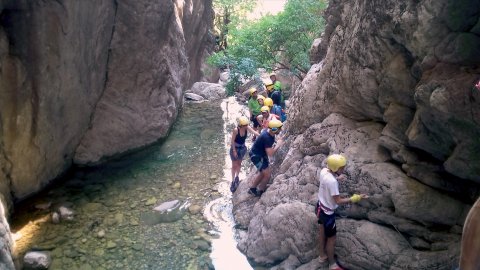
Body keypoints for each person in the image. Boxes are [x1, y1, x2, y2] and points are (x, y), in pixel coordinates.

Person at [316, 154, 368, 270]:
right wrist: (355, 198)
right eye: (341, 168)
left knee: (321, 230)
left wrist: (336, 178)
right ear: (335, 168)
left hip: (319, 206)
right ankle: (332, 264)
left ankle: (322, 255)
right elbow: (338, 201)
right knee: (331, 239)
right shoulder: (332, 183)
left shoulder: (324, 171)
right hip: (328, 214)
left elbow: (327, 181)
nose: (343, 169)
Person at [248, 119, 284, 196]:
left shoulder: (270, 132)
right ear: (274, 129)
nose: (281, 130)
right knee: (267, 175)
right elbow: (270, 153)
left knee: (262, 173)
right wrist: (278, 144)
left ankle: (253, 188)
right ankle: (260, 191)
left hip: (259, 154)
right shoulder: (266, 138)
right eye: (279, 128)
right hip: (257, 156)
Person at [229, 116, 260, 193]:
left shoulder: (247, 128)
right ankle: (232, 181)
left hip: (242, 148)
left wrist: (262, 135)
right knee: (234, 165)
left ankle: (237, 177)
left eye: (247, 125)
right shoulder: (236, 130)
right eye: (245, 125)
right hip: (235, 148)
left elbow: (254, 132)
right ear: (241, 125)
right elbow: (232, 141)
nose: (246, 126)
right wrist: (234, 151)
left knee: (239, 163)